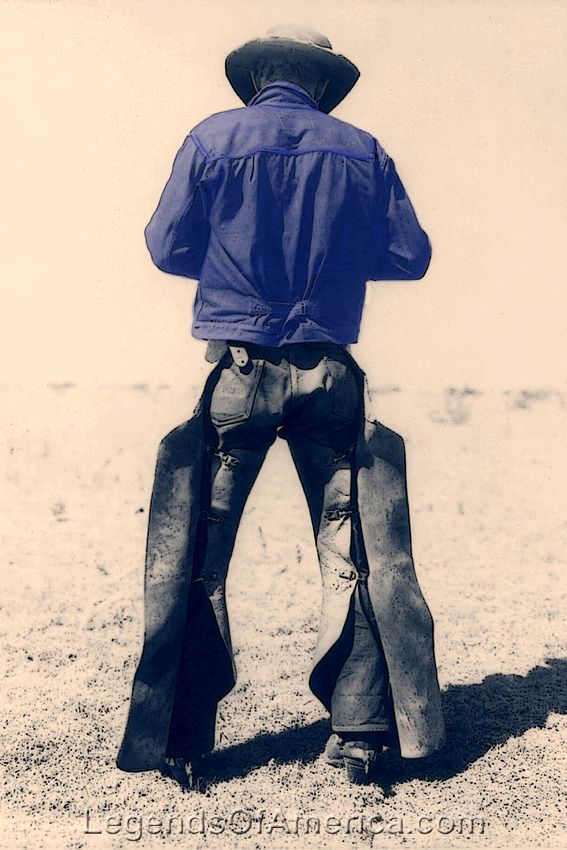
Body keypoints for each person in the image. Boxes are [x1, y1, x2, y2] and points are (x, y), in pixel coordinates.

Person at [116, 24, 445, 788]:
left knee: (199, 556)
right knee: (354, 556)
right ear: (323, 83)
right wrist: (330, 253)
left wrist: (237, 261)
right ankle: (361, 736)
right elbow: (409, 256)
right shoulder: (362, 148)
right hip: (330, 373)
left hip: (237, 372)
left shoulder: (211, 138)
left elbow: (166, 247)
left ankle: (182, 741)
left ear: (256, 75)